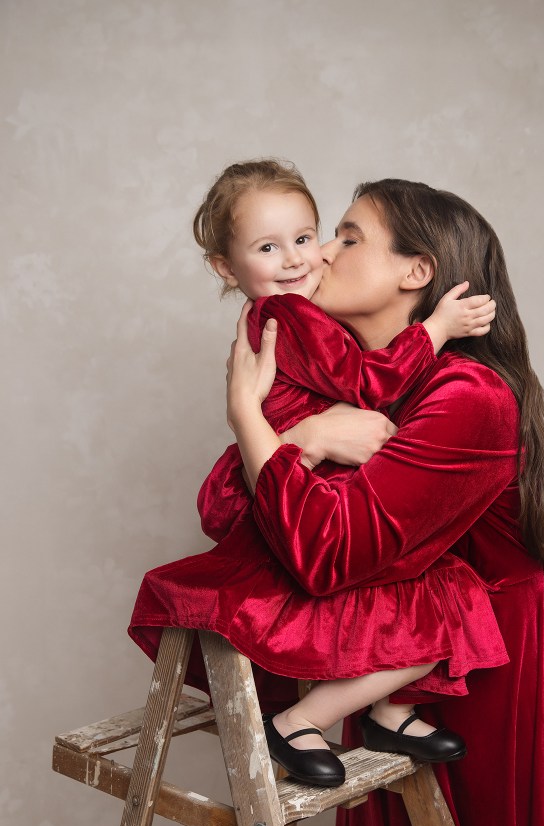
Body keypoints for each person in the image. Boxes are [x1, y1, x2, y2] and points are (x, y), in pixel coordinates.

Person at [225, 178, 544, 826]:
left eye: (347, 235)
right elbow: (229, 509)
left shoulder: (464, 395)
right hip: (393, 671)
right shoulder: (363, 384)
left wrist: (251, 420)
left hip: (493, 682)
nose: (320, 252)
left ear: (416, 273)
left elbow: (324, 553)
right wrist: (300, 433)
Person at [129, 158, 506, 788]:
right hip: (300, 491)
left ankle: (387, 710)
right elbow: (369, 382)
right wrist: (436, 329)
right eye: (269, 247)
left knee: (420, 593)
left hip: (303, 476)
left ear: (417, 271)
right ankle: (304, 721)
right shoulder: (294, 317)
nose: (313, 257)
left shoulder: (304, 319)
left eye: (312, 238)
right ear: (226, 267)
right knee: (439, 597)